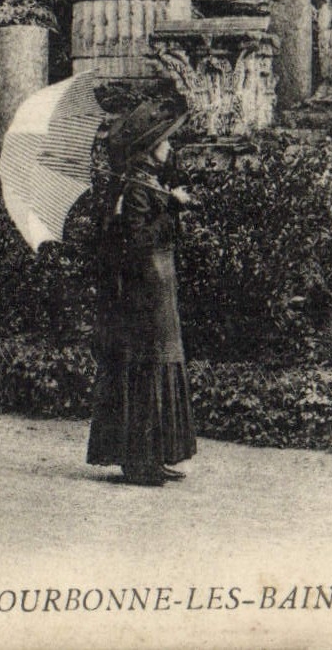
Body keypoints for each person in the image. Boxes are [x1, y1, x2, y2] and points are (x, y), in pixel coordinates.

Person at [86, 107, 197, 486]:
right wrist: (170, 210)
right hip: (144, 292)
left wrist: (170, 206)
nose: (170, 146)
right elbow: (137, 243)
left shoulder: (148, 184)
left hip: (159, 287)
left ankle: (156, 455)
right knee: (146, 367)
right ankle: (139, 462)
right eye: (165, 141)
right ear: (150, 148)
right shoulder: (136, 189)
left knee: (158, 364)